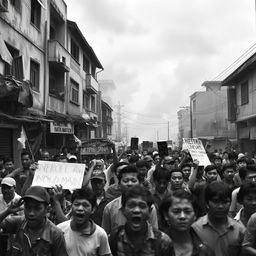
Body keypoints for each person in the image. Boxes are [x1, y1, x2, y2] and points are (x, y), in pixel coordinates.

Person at [0, 186, 69, 256]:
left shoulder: (56, 234)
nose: (31, 213)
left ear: (47, 209)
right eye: (28, 207)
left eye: (37, 208)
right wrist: (8, 211)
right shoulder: (19, 222)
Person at [109, 185, 173, 256]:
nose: (136, 210)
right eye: (131, 205)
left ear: (149, 211)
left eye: (142, 206)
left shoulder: (163, 242)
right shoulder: (113, 238)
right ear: (123, 209)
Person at [192, 181, 245, 256]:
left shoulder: (239, 229)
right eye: (216, 201)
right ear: (207, 203)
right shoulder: (195, 229)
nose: (220, 206)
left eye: (225, 202)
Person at [102, 165, 158, 234]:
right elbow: (106, 235)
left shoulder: (149, 206)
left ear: (140, 184)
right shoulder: (109, 208)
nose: (129, 184)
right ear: (119, 184)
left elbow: (154, 234)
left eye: (133, 180)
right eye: (125, 181)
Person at [159, 189, 215, 256]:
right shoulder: (156, 245)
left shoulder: (205, 250)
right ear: (166, 215)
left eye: (187, 211)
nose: (182, 216)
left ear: (195, 215)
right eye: (176, 211)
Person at [57, 188, 111, 256]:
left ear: (93, 209)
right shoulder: (59, 230)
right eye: (76, 204)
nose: (80, 208)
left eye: (85, 205)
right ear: (71, 206)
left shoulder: (100, 234)